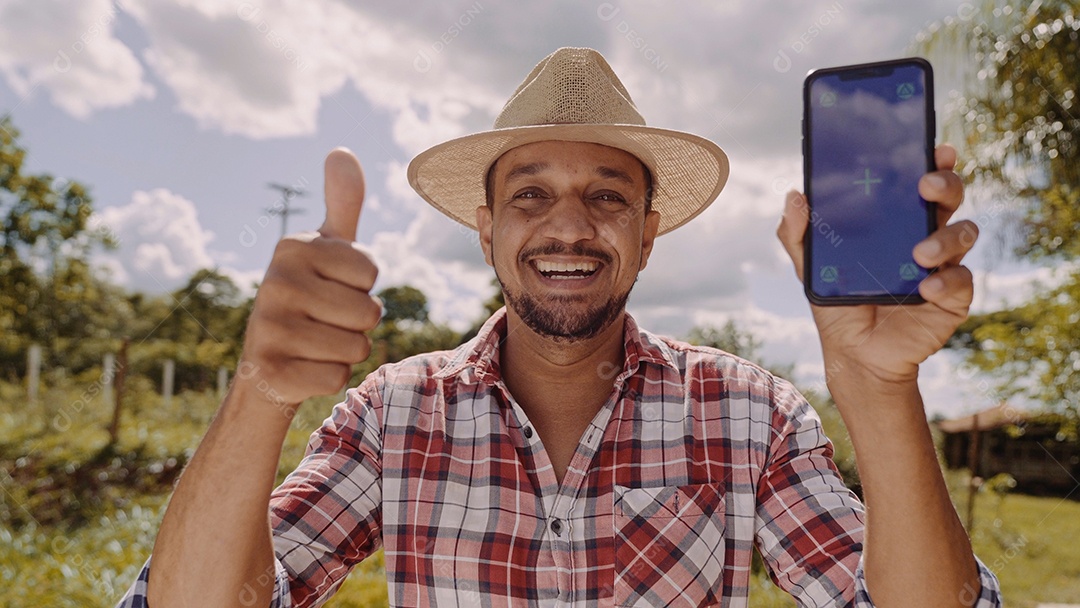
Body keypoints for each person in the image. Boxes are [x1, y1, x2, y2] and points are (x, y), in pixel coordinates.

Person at [118, 47, 1001, 607]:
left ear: (649, 235)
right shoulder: (392, 413)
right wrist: (259, 393)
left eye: (608, 197)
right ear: (488, 230)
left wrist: (880, 388)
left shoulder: (750, 414)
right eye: (530, 195)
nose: (570, 228)